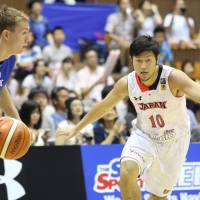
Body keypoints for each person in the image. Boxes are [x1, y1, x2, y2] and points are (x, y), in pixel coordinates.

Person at [56, 35, 200, 200]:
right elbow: (104, 106)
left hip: (174, 140)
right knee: (126, 169)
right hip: (144, 135)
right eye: (138, 61)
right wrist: (76, 128)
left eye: (148, 60)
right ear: (131, 61)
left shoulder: (173, 78)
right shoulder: (127, 83)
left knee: (158, 197)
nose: (143, 66)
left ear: (157, 59)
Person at [0, 5, 29, 120]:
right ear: (6, 35)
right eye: (24, 33)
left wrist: (18, 122)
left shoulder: (11, 59)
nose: (28, 39)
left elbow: (1, 88)